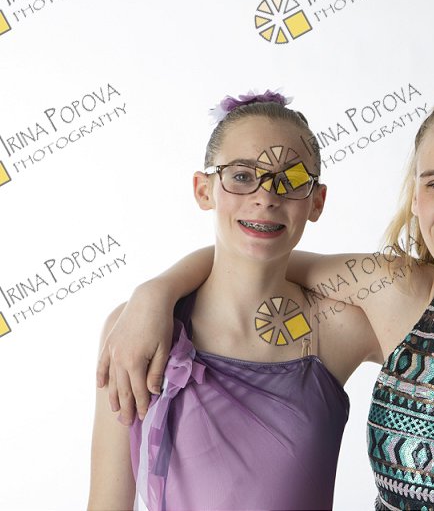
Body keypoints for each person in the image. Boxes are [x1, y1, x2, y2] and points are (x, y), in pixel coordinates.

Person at [95, 87, 434, 509]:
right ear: (416, 196)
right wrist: (153, 294)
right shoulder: (395, 298)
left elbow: (268, 253)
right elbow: (256, 259)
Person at [89, 93, 382, 509]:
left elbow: (418, 288)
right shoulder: (139, 329)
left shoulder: (339, 327)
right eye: (242, 176)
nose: (266, 197)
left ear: (317, 201)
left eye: (291, 180)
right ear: (203, 189)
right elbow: (106, 504)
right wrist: (155, 294)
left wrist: (160, 287)